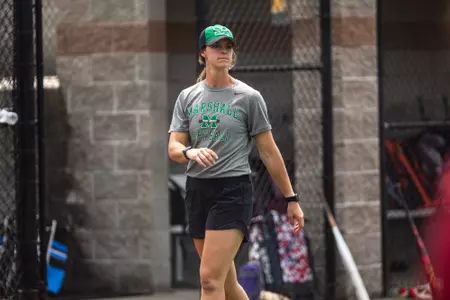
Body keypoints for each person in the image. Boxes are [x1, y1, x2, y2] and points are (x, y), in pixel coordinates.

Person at [167, 24, 305, 300]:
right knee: (226, 284)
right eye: (217, 46)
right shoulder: (187, 97)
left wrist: (292, 198)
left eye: (228, 46)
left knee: (208, 280)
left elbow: (268, 151)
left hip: (233, 192)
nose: (224, 52)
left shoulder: (249, 98)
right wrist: (189, 152)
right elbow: (173, 147)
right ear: (202, 53)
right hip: (197, 191)